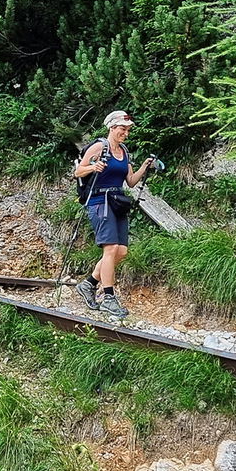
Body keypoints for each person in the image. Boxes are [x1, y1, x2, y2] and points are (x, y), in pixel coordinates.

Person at [72, 109, 155, 320]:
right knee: (110, 249)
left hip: (117, 202)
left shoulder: (124, 151)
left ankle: (88, 284)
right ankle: (108, 297)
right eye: (122, 129)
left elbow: (131, 181)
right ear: (112, 127)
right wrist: (93, 167)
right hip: (99, 202)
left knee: (122, 252)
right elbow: (78, 172)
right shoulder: (99, 147)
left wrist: (145, 166)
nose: (125, 133)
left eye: (127, 130)